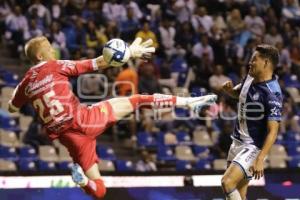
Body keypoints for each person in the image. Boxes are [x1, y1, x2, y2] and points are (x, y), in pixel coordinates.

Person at [8, 36, 217, 199]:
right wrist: (131, 52)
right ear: (40, 57)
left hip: (71, 139)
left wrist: (22, 94)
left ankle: (83, 183)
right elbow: (97, 64)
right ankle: (190, 102)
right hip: (85, 119)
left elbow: (12, 108)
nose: (53, 50)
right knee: (137, 100)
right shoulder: (53, 66)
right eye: (48, 48)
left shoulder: (24, 85)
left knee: (99, 189)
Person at [221, 44, 283, 200]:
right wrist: (230, 91)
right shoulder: (250, 76)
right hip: (236, 142)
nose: (250, 63)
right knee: (239, 194)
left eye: (254, 59)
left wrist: (260, 159)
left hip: (252, 146)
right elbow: (240, 92)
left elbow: (273, 131)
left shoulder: (272, 93)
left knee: (227, 183)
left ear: (266, 63)